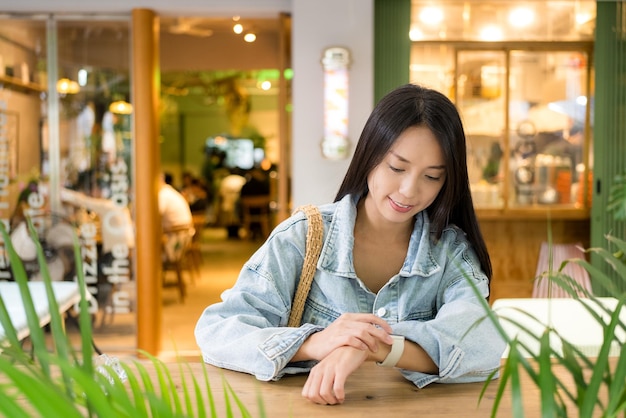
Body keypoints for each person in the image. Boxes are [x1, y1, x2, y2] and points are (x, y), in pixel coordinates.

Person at [194, 84, 506, 405]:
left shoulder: (450, 250)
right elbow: (219, 331)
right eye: (397, 168)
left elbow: (482, 345)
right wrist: (316, 343)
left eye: (432, 176)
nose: (410, 190)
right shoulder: (302, 236)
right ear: (369, 156)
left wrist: (372, 347)